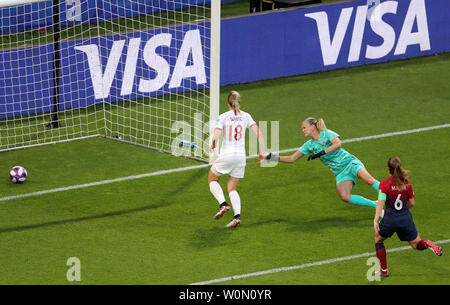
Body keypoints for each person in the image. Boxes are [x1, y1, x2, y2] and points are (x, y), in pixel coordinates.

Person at [263, 117, 381, 210]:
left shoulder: (326, 133)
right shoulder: (308, 145)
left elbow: (338, 144)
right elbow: (291, 159)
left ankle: (395, 195)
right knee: (345, 197)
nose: (302, 130)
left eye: (304, 127)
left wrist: (320, 153)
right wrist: (273, 158)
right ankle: (375, 205)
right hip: (340, 172)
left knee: (369, 181)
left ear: (313, 126)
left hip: (350, 162)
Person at [373, 157, 442, 277]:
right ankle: (427, 243)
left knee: (378, 239)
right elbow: (412, 203)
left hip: (390, 219)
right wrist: (403, 209)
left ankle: (384, 270)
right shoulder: (407, 183)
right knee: (416, 244)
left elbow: (380, 203)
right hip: (406, 219)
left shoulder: (384, 185)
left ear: (388, 169)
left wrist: (375, 220)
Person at [208, 90, 265, 228]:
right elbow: (259, 134)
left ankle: (223, 204)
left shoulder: (223, 117)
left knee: (212, 179)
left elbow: (216, 135)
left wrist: (213, 144)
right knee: (232, 188)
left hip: (227, 155)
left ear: (227, 103)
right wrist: (262, 153)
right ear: (239, 102)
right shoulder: (246, 116)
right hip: (240, 157)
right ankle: (237, 217)